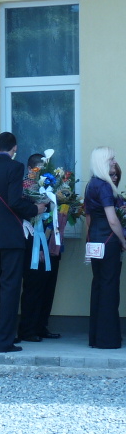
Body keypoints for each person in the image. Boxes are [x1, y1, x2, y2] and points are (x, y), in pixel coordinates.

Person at [0, 132, 46, 353]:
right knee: (10, 287)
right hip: (11, 236)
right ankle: (4, 341)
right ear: (14, 148)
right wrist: (35, 208)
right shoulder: (15, 167)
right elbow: (14, 201)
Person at [84, 147, 126, 349]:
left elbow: (89, 218)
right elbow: (113, 220)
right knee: (109, 288)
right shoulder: (105, 186)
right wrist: (123, 240)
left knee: (98, 286)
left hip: (95, 240)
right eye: (111, 158)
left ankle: (96, 337)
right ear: (102, 162)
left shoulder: (91, 184)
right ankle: (108, 339)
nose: (114, 161)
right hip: (109, 241)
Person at [18, 154, 62, 343]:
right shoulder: (25, 188)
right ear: (30, 169)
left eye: (46, 170)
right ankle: (27, 329)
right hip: (34, 243)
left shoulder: (51, 188)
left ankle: (41, 325)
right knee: (34, 286)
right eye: (39, 169)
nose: (43, 174)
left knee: (48, 286)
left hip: (52, 241)